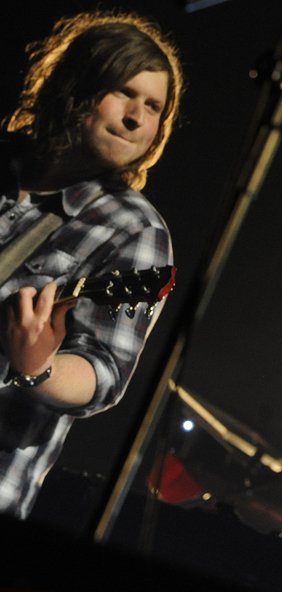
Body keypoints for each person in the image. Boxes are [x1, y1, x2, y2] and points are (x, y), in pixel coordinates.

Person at [0, 10, 184, 521]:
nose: (137, 117)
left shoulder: (136, 231)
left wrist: (37, 365)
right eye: (125, 93)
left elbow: (103, 370)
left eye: (154, 107)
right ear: (76, 85)